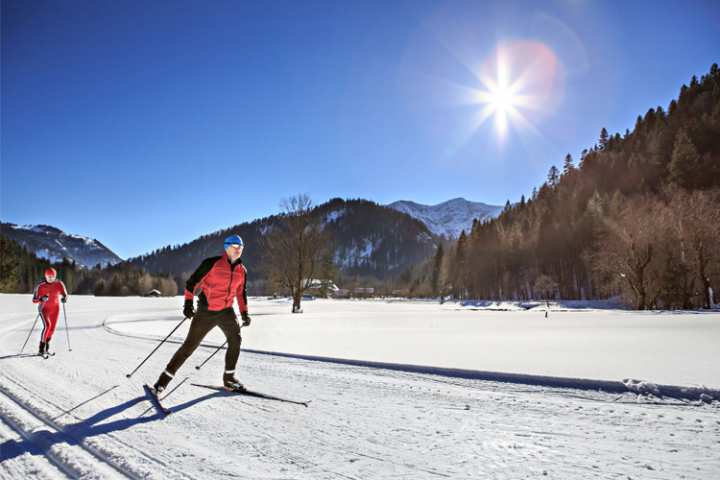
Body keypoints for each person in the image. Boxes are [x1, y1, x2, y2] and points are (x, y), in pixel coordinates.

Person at [153, 234, 251, 393]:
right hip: (207, 311)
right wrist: (188, 303)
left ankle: (229, 379)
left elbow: (241, 293)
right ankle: (162, 381)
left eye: (241, 248)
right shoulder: (211, 264)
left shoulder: (242, 270)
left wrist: (244, 313)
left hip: (226, 311)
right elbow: (192, 283)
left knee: (236, 340)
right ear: (227, 248)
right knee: (189, 347)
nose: (238, 250)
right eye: (235, 247)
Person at [32, 267, 68, 355]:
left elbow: (65, 294)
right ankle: (41, 348)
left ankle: (47, 348)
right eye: (48, 276)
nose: (50, 278)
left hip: (55, 309)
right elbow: (34, 300)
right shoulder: (40, 286)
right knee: (47, 326)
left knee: (52, 329)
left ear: (55, 276)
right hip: (44, 309)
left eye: (52, 276)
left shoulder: (59, 284)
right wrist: (41, 299)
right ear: (45, 276)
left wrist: (64, 298)